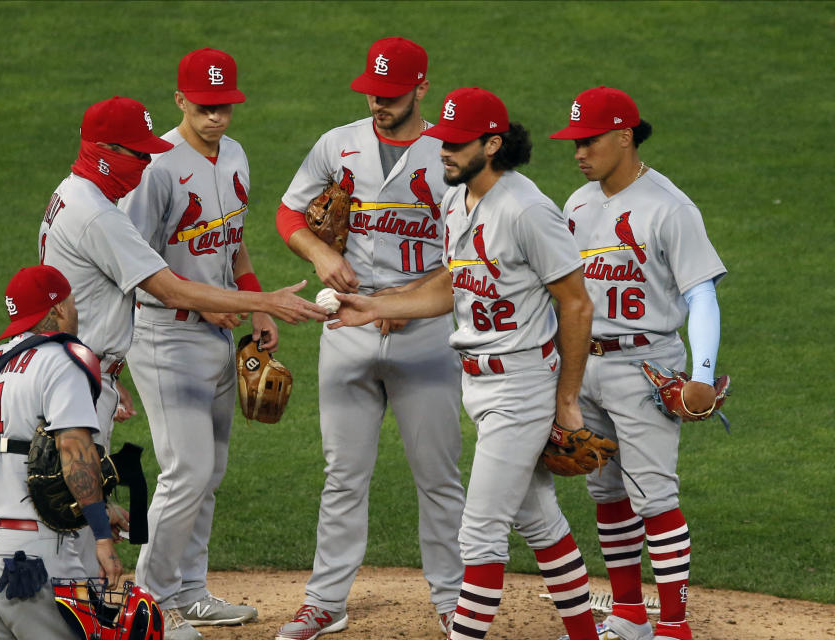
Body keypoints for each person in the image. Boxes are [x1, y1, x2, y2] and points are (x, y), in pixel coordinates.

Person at [330, 87, 603, 640]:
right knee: (536, 518)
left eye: (455, 144)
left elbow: (576, 302)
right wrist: (376, 307)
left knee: (478, 533)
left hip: (522, 385)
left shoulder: (527, 211)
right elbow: (454, 284)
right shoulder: (457, 201)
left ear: (492, 143)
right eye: (442, 141)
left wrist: (567, 400)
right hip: (478, 384)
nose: (442, 152)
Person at [273, 37, 466, 640]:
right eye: (373, 93)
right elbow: (289, 214)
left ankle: (454, 601)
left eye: (391, 94)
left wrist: (406, 303)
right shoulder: (339, 144)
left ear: (421, 88)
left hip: (428, 334)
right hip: (347, 330)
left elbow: (469, 254)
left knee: (437, 474)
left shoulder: (448, 156)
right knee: (343, 474)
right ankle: (325, 601)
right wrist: (319, 251)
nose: (379, 102)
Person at [38, 94, 327, 450]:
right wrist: (266, 301)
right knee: (78, 498)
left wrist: (106, 377)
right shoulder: (99, 216)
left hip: (79, 369)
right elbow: (168, 289)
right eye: (138, 154)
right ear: (105, 151)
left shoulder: (71, 191)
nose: (146, 163)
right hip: (81, 375)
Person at [549, 86, 727, 640]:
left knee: (655, 495)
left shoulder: (669, 207)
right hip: (584, 365)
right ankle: (628, 615)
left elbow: (701, 295)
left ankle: (673, 626)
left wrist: (700, 375)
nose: (579, 152)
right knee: (606, 493)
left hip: (646, 365)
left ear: (625, 136)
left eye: (591, 140)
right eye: (575, 141)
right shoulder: (576, 204)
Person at [118, 48, 263, 640]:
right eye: (205, 108)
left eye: (226, 106)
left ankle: (190, 592)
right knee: (187, 470)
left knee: (212, 470)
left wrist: (253, 303)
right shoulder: (157, 168)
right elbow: (136, 266)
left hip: (219, 334)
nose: (218, 118)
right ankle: (146, 605)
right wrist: (218, 304)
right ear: (179, 100)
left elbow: (234, 242)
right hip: (164, 335)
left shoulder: (235, 155)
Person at [0, 265, 122, 639]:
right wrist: (102, 537)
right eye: (72, 303)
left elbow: (5, 459)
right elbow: (74, 451)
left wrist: (98, 507)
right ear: (58, 308)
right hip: (29, 556)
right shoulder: (62, 361)